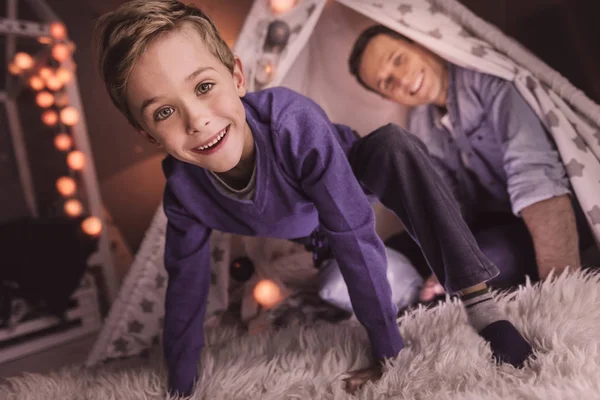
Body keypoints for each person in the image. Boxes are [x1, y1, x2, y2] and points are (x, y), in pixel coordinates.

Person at [94, 2, 533, 396]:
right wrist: (180, 387)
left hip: (351, 177)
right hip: (302, 223)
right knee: (329, 289)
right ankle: (413, 290)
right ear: (148, 133)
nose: (198, 120)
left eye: (204, 87)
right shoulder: (184, 191)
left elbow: (354, 234)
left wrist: (388, 355)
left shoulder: (292, 123)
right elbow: (185, 291)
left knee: (395, 147)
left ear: (237, 77)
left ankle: (485, 312)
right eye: (164, 112)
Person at [349, 25, 597, 301]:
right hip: (497, 218)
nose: (403, 80)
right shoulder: (419, 123)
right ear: (388, 98)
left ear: (421, 44)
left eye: (399, 59)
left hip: (557, 211)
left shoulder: (486, 79)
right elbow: (448, 204)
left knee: (490, 258)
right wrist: (446, 258)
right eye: (387, 83)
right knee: (403, 242)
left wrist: (563, 293)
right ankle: (391, 285)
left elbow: (535, 175)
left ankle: (439, 287)